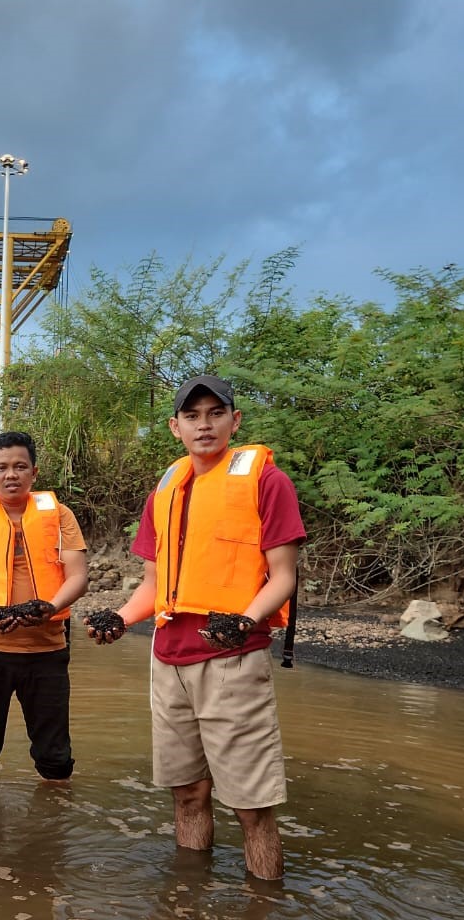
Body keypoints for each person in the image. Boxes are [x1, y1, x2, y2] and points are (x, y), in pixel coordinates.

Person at [85, 375, 304, 880]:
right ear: (175, 427)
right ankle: (187, 897)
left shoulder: (266, 481)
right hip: (169, 659)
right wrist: (119, 618)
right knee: (186, 794)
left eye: (214, 413)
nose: (204, 425)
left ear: (235, 420)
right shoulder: (166, 489)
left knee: (251, 807)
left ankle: (265, 902)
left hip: (232, 657)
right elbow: (154, 586)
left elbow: (283, 576)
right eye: (192, 416)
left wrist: (244, 621)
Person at [0, 431, 88, 784]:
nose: (12, 475)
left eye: (20, 466)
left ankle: (53, 826)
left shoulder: (60, 516)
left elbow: (79, 576)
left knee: (55, 756)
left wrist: (50, 607)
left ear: (34, 473)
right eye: (2, 467)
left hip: (47, 649)